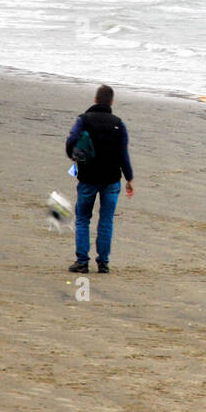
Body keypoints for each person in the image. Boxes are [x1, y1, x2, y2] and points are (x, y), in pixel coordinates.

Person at [64, 84, 134, 274]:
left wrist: (72, 154)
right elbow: (123, 153)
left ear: (95, 100)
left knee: (83, 218)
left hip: (88, 177)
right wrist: (129, 178)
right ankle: (103, 263)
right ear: (111, 102)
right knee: (106, 220)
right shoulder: (118, 123)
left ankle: (82, 262)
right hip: (112, 179)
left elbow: (71, 141)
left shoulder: (84, 120)